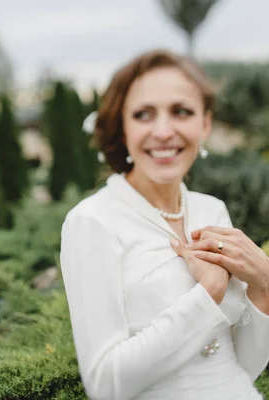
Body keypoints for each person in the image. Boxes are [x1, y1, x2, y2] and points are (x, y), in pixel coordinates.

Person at [60, 49, 269, 400]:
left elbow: (240, 366)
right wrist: (207, 296)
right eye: (143, 114)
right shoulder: (92, 221)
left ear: (204, 123)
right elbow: (105, 385)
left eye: (181, 111)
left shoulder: (212, 210)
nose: (163, 131)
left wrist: (263, 287)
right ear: (122, 129)